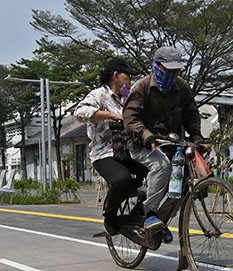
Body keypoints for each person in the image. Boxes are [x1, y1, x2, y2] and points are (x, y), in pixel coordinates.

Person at [123, 46, 205, 237]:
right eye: (167, 70)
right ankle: (149, 213)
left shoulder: (182, 87)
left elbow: (191, 114)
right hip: (143, 145)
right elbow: (130, 117)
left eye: (175, 71)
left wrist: (196, 137)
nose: (171, 74)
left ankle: (159, 221)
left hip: (172, 145)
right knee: (161, 166)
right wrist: (146, 135)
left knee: (186, 181)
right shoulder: (142, 87)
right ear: (156, 66)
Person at [74, 57, 145, 236]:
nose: (130, 80)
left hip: (128, 151)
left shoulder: (128, 98)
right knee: (123, 180)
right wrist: (110, 115)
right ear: (116, 76)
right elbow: (80, 112)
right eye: (127, 76)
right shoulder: (99, 95)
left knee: (156, 171)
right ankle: (109, 214)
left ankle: (139, 209)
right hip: (104, 154)